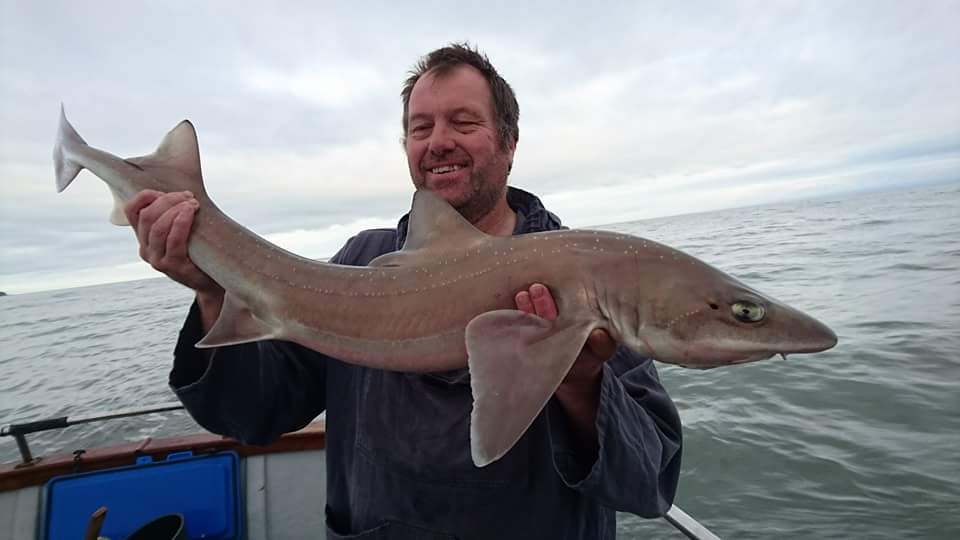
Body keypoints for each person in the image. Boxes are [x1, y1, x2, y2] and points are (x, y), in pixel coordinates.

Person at [125, 43, 682, 539]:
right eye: (421, 128)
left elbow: (651, 483)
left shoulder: (584, 274)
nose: (438, 142)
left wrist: (583, 384)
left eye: (463, 123)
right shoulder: (363, 264)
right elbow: (254, 414)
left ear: (509, 143)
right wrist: (214, 294)